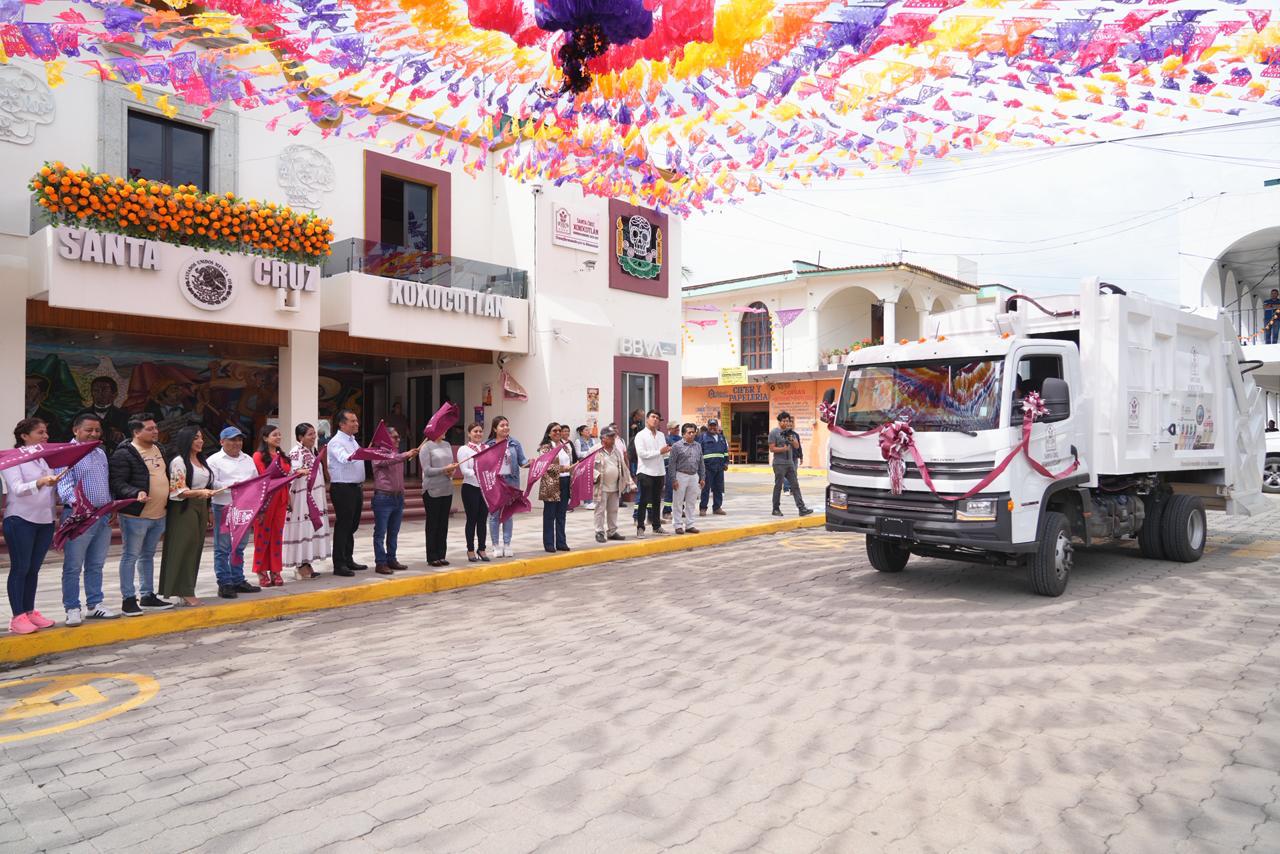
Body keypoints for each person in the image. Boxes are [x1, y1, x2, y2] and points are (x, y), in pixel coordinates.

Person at [109, 414, 175, 616]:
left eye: (155, 428)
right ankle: (128, 599)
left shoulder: (159, 448)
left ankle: (147, 595)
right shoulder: (124, 453)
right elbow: (117, 482)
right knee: (130, 556)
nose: (155, 431)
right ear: (136, 432)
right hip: (135, 516)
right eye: (150, 429)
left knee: (148, 555)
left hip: (159, 514)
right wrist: (134, 493)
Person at [56, 413, 119, 625]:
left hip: (102, 515)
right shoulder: (66, 453)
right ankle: (72, 607)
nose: (94, 434)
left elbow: (106, 483)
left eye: (97, 430)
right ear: (76, 430)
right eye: (89, 430)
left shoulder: (100, 453)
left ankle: (95, 605)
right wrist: (80, 507)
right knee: (73, 565)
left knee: (96, 563)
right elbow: (64, 487)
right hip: (78, 517)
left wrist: (111, 507)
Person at [3, 418, 60, 635]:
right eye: (40, 432)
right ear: (24, 436)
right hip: (20, 520)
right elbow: (17, 489)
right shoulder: (13, 458)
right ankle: (17, 616)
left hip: (44, 520)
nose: (46, 436)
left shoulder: (41, 458)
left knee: (34, 569)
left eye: (46, 432)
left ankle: (29, 611)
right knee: (21, 568)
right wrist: (41, 482)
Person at [158, 426, 216, 606]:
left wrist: (208, 509)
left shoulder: (201, 461)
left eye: (201, 438)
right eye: (196, 438)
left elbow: (209, 486)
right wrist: (200, 493)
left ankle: (187, 588)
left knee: (196, 548)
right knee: (184, 548)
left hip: (201, 507)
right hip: (184, 508)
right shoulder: (179, 462)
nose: (200, 441)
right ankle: (183, 590)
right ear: (186, 440)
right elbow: (178, 491)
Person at [207, 426, 263, 598]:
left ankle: (238, 579)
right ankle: (224, 582)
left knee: (239, 546)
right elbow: (211, 484)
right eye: (232, 440)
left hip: (244, 508)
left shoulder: (247, 459)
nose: (237, 443)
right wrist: (233, 486)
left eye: (239, 440)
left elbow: (255, 482)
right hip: (224, 506)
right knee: (223, 547)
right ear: (222, 441)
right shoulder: (213, 460)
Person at [285, 423, 332, 580]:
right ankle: (300, 565)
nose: (314, 437)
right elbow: (292, 472)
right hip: (302, 499)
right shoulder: (296, 452)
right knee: (303, 530)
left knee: (311, 529)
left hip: (315, 496)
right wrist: (299, 472)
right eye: (310, 434)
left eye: (314, 434)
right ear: (300, 437)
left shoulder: (312, 451)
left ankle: (307, 562)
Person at [372, 426, 418, 575]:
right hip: (383, 497)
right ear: (385, 439)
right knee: (380, 532)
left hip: (397, 497)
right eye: (395, 437)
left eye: (399, 437)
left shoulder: (396, 454)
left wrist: (402, 495)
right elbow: (387, 461)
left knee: (394, 531)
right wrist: (406, 454)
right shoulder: (377, 453)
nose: (399, 440)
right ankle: (380, 562)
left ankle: (391, 558)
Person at [251, 425, 292, 587]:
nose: (278, 437)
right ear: (265, 438)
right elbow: (264, 476)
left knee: (277, 536)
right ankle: (261, 570)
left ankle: (276, 570)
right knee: (262, 536)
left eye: (279, 434)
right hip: (265, 500)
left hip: (281, 498)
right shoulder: (258, 456)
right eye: (275, 435)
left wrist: (288, 497)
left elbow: (286, 478)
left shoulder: (283, 456)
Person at [327, 409, 367, 576]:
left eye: (356, 420)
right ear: (342, 424)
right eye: (352, 421)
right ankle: (339, 564)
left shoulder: (352, 440)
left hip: (356, 487)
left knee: (352, 525)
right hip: (343, 488)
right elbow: (345, 458)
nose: (356, 424)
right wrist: (363, 453)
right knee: (343, 525)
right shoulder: (336, 442)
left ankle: (348, 558)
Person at [486, 416, 529, 557]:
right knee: (494, 515)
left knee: (508, 514)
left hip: (511, 483)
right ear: (495, 429)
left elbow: (522, 461)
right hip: (495, 483)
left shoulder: (515, 443)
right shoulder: (489, 445)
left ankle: (507, 544)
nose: (505, 427)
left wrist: (531, 463)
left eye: (507, 425)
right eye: (502, 425)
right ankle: (495, 545)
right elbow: (485, 465)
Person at [420, 422, 459, 567]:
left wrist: (452, 470)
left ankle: (441, 554)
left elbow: (450, 465)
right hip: (432, 490)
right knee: (433, 523)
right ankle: (432, 556)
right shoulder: (426, 447)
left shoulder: (447, 445)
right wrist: (444, 469)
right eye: (442, 428)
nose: (445, 431)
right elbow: (427, 470)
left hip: (446, 488)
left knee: (444, 523)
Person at [456, 422, 491, 562]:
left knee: (483, 520)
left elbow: (492, 466)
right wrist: (481, 472)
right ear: (469, 433)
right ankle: (470, 550)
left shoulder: (487, 448)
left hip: (484, 488)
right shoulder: (464, 450)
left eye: (480, 431)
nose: (478, 434)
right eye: (475, 431)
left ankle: (482, 549)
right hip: (470, 488)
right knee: (472, 520)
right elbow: (465, 471)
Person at [592, 427, 634, 543]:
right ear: (603, 438)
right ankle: (599, 532)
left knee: (613, 510)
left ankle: (612, 531)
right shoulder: (594, 450)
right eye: (610, 436)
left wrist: (630, 482)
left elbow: (624, 468)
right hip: (601, 486)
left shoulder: (616, 451)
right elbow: (587, 468)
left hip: (615, 486)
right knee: (600, 510)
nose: (613, 439)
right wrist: (596, 475)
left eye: (613, 436)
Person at [633, 409, 671, 537]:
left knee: (656, 500)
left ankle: (656, 526)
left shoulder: (661, 435)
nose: (655, 420)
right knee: (643, 501)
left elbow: (663, 453)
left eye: (657, 418)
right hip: (645, 472)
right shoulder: (641, 435)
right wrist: (659, 452)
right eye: (653, 417)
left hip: (659, 472)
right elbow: (642, 454)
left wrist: (667, 451)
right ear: (647, 419)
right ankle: (640, 527)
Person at [770, 411, 814, 518]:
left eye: (788, 421)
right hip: (779, 464)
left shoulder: (789, 433)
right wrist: (783, 449)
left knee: (795, 486)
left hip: (790, 463)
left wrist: (790, 436)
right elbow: (772, 449)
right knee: (778, 486)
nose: (786, 423)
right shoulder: (774, 432)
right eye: (784, 421)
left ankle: (801, 508)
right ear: (779, 422)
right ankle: (775, 509)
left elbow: (796, 446)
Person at [74, 376, 129, 454]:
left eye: (104, 390)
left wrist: (121, 436)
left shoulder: (124, 416)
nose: (100, 393)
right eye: (96, 390)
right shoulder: (81, 415)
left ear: (114, 394)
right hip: (86, 456)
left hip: (115, 459)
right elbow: (67, 438)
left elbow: (135, 440)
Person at [538, 425, 571, 553]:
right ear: (549, 434)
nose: (558, 432)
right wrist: (562, 468)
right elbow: (545, 465)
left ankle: (561, 542)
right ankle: (549, 543)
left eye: (559, 430)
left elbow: (571, 462)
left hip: (565, 481)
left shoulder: (566, 446)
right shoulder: (545, 447)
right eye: (554, 431)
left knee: (561, 514)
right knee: (549, 515)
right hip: (551, 483)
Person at [669, 423, 706, 535]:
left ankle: (690, 525)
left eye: (693, 432)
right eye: (689, 432)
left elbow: (701, 463)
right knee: (678, 501)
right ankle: (678, 525)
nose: (691, 434)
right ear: (683, 434)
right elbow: (672, 464)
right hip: (681, 475)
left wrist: (702, 477)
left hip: (694, 476)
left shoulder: (698, 446)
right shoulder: (677, 446)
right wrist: (673, 479)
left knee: (691, 502)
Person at [698, 418, 729, 517]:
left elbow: (725, 452)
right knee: (706, 489)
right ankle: (703, 508)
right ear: (708, 426)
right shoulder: (703, 437)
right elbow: (699, 452)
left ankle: (717, 507)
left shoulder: (721, 438)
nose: (712, 427)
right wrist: (700, 467)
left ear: (717, 426)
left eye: (714, 425)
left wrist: (726, 463)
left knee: (718, 489)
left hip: (719, 467)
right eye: (710, 425)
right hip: (707, 467)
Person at [573, 425, 596, 510]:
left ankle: (591, 501)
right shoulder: (578, 441)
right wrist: (589, 452)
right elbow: (578, 454)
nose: (588, 432)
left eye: (588, 430)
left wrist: (589, 453)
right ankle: (587, 502)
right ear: (581, 432)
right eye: (586, 430)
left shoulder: (592, 440)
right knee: (585, 482)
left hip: (592, 463)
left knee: (591, 481)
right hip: (583, 464)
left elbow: (595, 450)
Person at [662, 422, 680, 518]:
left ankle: (680, 510)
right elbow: (665, 455)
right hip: (670, 468)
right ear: (669, 429)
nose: (677, 429)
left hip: (680, 468)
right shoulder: (666, 439)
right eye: (675, 428)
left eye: (678, 427)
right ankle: (666, 512)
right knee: (669, 490)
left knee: (680, 490)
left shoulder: (681, 439)